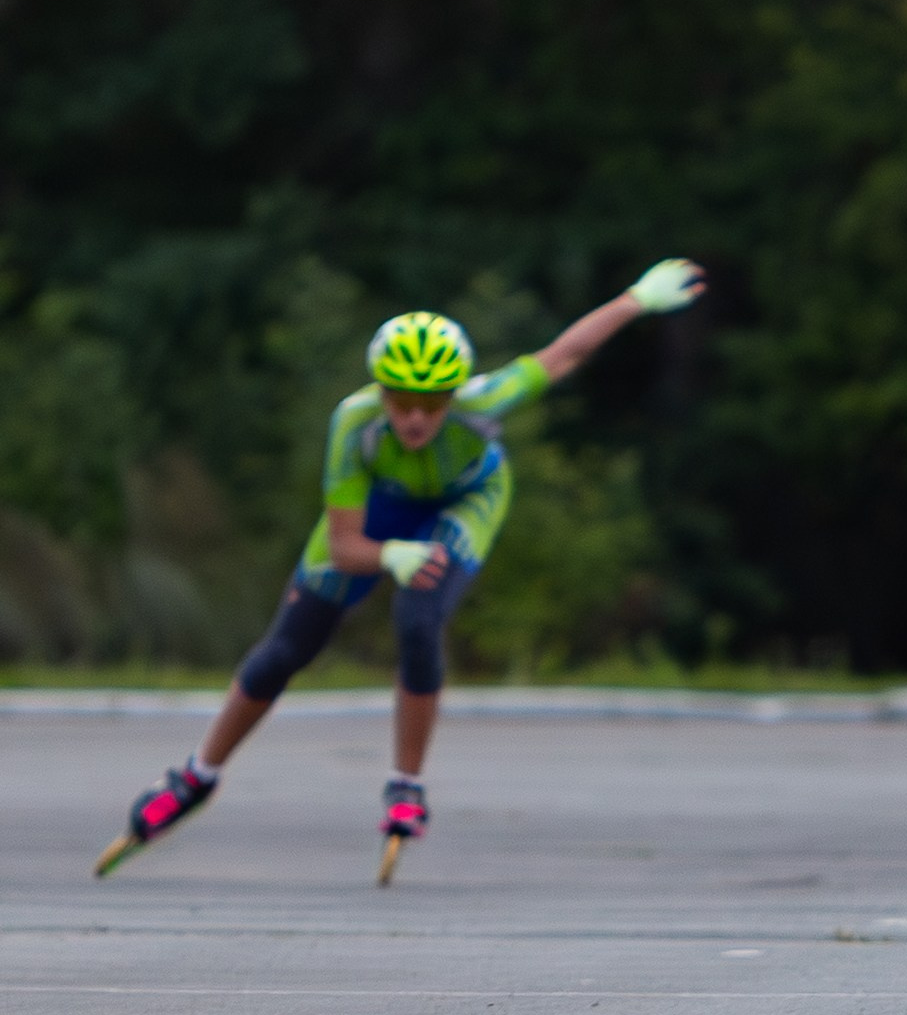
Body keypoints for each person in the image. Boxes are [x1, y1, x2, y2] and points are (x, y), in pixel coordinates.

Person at [96, 260, 706, 879]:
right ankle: (197, 776)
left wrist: (634, 299)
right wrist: (389, 552)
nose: (416, 417)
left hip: (463, 502)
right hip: (380, 514)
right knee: (286, 648)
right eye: (401, 400)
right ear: (380, 392)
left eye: (433, 402)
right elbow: (344, 548)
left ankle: (406, 785)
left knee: (417, 618)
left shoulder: (483, 402)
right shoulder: (354, 424)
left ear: (454, 395)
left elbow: (563, 355)